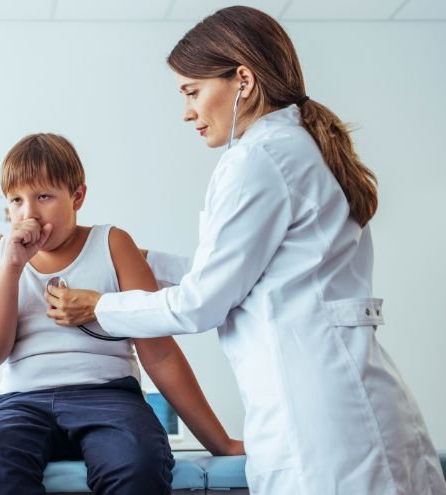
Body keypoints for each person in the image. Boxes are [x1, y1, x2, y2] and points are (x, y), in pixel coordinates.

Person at [44, 6, 446, 495]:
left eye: (192, 91)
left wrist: (100, 306)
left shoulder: (257, 159)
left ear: (243, 80)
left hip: (321, 421)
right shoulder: (301, 148)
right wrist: (144, 261)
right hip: (350, 401)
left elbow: (203, 303)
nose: (186, 111)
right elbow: (254, 277)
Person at [0, 133, 242, 495]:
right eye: (16, 200)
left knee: (138, 458)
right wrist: (11, 269)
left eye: (43, 196)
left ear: (77, 196)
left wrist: (220, 443)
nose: (28, 213)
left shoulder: (113, 244)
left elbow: (161, 354)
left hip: (108, 397)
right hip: (22, 401)